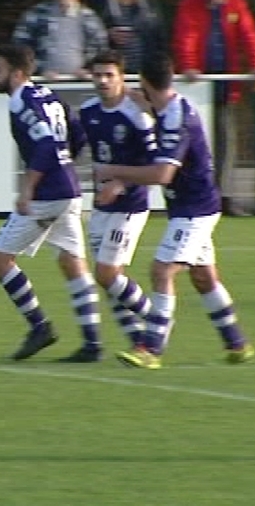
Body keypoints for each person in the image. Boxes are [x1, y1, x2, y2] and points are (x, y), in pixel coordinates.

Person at [94, 55, 255, 368]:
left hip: (195, 209)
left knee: (162, 270)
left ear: (145, 83)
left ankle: (151, 348)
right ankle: (236, 343)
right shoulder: (168, 105)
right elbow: (147, 102)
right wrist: (129, 94)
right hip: (191, 205)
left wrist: (115, 172)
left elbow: (162, 175)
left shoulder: (176, 118)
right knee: (203, 276)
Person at [0, 44, 102, 362]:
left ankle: (39, 326)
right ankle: (92, 342)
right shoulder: (47, 94)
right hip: (70, 190)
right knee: (72, 262)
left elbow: (46, 146)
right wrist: (67, 164)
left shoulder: (20, 100)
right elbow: (76, 133)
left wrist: (28, 189)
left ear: (18, 74)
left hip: (48, 195)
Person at [172, 0, 255, 217]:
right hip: (197, 88)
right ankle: (195, 194)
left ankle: (223, 196)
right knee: (196, 142)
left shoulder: (236, 4)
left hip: (226, 87)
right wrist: (189, 66)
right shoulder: (190, 5)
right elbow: (186, 37)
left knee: (227, 142)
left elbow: (249, 36)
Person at [80, 50, 156, 353]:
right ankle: (138, 341)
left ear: (122, 78)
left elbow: (153, 163)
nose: (102, 81)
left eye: (109, 75)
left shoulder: (137, 115)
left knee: (106, 273)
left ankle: (157, 321)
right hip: (102, 205)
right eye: (97, 75)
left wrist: (121, 183)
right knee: (110, 279)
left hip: (131, 205)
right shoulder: (88, 111)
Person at [12, 0, 107, 80]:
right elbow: (19, 48)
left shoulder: (89, 17)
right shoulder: (35, 14)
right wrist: (40, 69)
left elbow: (102, 49)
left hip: (81, 81)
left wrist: (89, 69)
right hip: (42, 81)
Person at [91, 0, 167, 73]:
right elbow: (87, 39)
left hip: (146, 73)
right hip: (109, 74)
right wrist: (107, 35)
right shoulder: (98, 3)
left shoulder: (151, 5)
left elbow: (160, 42)